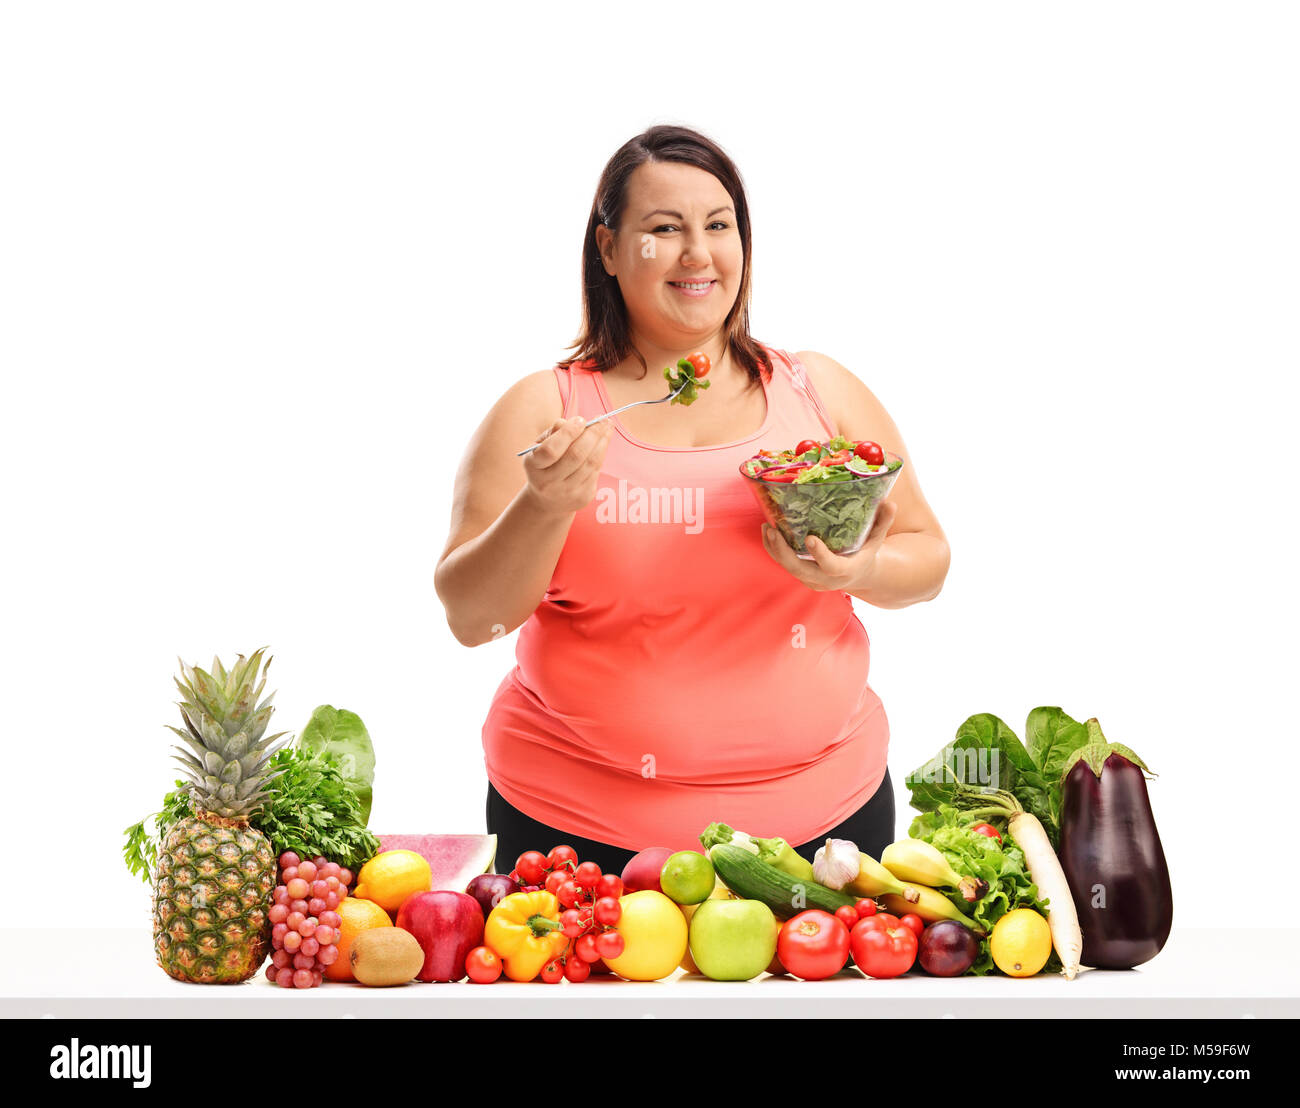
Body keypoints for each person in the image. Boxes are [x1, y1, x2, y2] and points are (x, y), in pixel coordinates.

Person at [434, 124, 950, 879]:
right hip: (573, 834)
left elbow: (929, 560)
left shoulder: (819, 392)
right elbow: (470, 617)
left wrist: (857, 570)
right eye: (664, 230)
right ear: (609, 249)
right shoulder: (545, 411)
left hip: (827, 822)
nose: (698, 254)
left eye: (719, 226)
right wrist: (544, 506)